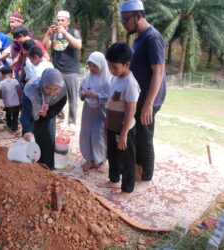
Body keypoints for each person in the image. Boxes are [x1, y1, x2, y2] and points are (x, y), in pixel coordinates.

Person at [120, 0, 166, 191]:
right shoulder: (139, 36)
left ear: (138, 16)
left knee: (145, 137)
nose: (124, 24)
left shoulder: (152, 38)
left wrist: (148, 104)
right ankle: (138, 171)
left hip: (149, 98)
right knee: (137, 135)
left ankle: (146, 179)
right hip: (140, 96)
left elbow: (158, 72)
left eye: (126, 20)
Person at [98, 42, 140, 201]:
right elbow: (111, 103)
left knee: (127, 158)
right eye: (109, 67)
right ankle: (114, 180)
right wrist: (107, 123)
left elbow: (131, 110)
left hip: (124, 129)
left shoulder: (130, 83)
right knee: (113, 154)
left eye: (114, 67)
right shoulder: (115, 78)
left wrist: (124, 134)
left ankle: (127, 190)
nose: (111, 70)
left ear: (126, 64)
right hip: (112, 126)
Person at [22, 68, 67, 170]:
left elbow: (60, 104)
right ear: (42, 84)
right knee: (32, 141)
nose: (52, 93)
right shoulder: (31, 89)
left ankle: (48, 167)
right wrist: (28, 130)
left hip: (48, 115)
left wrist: (48, 113)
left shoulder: (62, 87)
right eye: (48, 88)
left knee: (48, 140)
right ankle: (33, 169)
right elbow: (26, 112)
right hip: (32, 117)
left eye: (55, 89)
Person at [42, 10, 82, 125]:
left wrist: (65, 33)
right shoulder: (54, 34)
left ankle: (72, 121)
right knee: (55, 95)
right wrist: (48, 34)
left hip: (71, 71)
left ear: (68, 22)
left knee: (72, 97)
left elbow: (78, 45)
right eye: (58, 20)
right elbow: (45, 46)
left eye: (62, 20)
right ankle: (58, 116)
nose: (59, 22)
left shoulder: (74, 32)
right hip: (57, 71)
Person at [79, 52, 111, 172]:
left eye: (95, 66)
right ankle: (90, 159)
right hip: (88, 111)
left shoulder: (107, 80)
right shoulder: (87, 78)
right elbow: (81, 91)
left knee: (99, 135)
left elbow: (110, 96)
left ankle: (101, 160)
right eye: (90, 66)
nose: (92, 69)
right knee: (86, 134)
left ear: (102, 65)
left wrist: (97, 95)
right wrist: (82, 94)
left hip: (101, 111)